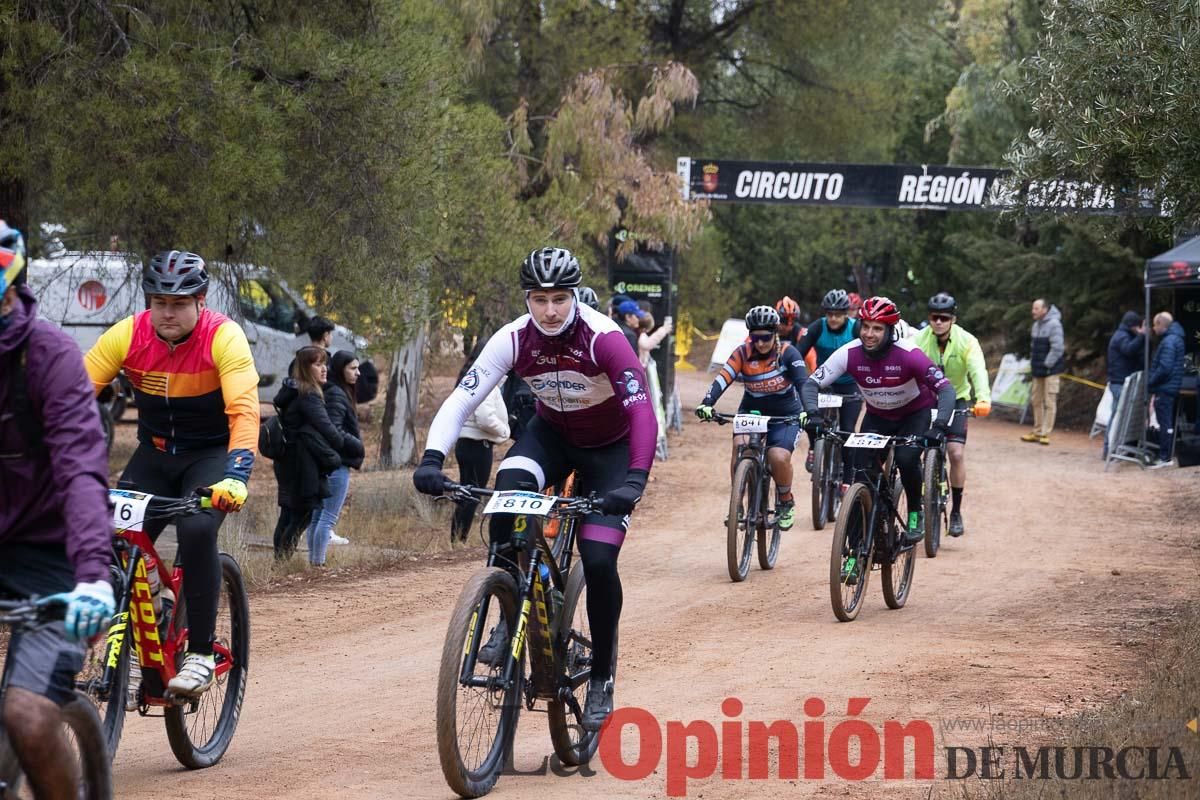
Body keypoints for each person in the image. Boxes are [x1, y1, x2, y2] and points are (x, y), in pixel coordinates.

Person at [412, 247, 657, 732]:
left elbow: (641, 411)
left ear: (574, 297)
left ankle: (603, 674)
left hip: (610, 451)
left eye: (560, 299)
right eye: (539, 298)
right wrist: (433, 459)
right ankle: (507, 608)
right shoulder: (513, 338)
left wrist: (634, 479)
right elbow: (464, 398)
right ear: (527, 297)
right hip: (551, 439)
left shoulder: (605, 338)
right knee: (507, 493)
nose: (549, 310)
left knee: (600, 558)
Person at [85, 249, 258, 697]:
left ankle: (200, 651)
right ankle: (155, 601)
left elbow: (243, 410)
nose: (168, 312)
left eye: (179, 303)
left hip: (211, 456)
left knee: (197, 529)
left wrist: (236, 475)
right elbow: (73, 395)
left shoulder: (225, 337)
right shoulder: (128, 334)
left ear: (201, 300)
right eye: (159, 301)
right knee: (108, 534)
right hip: (155, 455)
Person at [1, 223, 114, 799]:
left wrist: (94, 575)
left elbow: (81, 471)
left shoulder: (49, 358)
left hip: (55, 562)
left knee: (27, 715)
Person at [801, 296, 955, 583]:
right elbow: (811, 383)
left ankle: (915, 511)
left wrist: (941, 426)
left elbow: (946, 390)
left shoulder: (908, 354)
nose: (869, 334)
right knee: (861, 477)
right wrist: (813, 414)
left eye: (878, 329)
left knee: (908, 457)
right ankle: (854, 553)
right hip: (877, 418)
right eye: (866, 327)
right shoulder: (850, 353)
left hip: (914, 415)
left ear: (890, 330)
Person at [695, 305, 809, 531]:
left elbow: (803, 383)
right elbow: (723, 378)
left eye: (765, 337)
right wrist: (707, 402)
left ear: (775, 333)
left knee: (777, 456)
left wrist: (808, 410)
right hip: (752, 410)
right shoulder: (742, 352)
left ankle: (786, 501)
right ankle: (737, 502)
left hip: (785, 414)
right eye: (755, 337)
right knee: (739, 446)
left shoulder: (788, 352)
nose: (760, 343)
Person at [911, 293, 992, 537]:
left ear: (953, 319)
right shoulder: (917, 340)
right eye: (934, 317)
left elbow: (978, 370)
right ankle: (919, 502)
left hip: (956, 398)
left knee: (956, 453)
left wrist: (983, 398)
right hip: (926, 399)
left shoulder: (967, 341)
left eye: (944, 318)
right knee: (915, 450)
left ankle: (956, 511)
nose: (938, 322)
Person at [272, 346, 360, 559]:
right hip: (302, 463)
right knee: (302, 515)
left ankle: (279, 563)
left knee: (288, 515)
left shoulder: (291, 390)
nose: (324, 369)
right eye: (317, 364)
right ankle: (283, 562)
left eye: (324, 364)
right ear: (304, 368)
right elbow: (329, 429)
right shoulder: (308, 395)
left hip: (287, 461)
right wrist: (352, 445)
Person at [795, 289, 863, 479]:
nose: (833, 318)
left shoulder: (856, 328)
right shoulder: (818, 327)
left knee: (847, 431)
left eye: (838, 314)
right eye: (830, 314)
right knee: (811, 418)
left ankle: (848, 477)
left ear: (845, 313)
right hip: (825, 382)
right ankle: (813, 446)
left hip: (850, 384)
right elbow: (799, 352)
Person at [306, 350, 365, 563]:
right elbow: (334, 429)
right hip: (336, 464)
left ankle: (314, 564)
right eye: (352, 368)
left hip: (327, 462)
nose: (357, 373)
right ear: (341, 370)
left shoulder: (332, 391)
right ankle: (318, 564)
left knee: (317, 517)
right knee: (327, 518)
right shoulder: (337, 394)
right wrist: (357, 446)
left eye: (358, 368)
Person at [450, 346, 510, 542]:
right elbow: (484, 417)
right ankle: (459, 539)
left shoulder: (469, 379)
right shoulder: (485, 382)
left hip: (466, 444)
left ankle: (456, 538)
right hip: (478, 445)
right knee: (472, 493)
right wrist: (504, 431)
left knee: (466, 491)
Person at [1021, 298, 1065, 445]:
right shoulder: (1035, 325)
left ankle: (1046, 433)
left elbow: (1057, 348)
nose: (1033, 311)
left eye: (1036, 309)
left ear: (1045, 310)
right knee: (1036, 400)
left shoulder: (1055, 325)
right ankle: (1037, 430)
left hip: (1051, 370)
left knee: (1050, 401)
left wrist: (1047, 364)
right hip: (1037, 370)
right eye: (1033, 308)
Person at [1147, 312, 1186, 468]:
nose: (1153, 328)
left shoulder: (1169, 341)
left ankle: (1164, 457)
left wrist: (1151, 381)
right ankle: (1166, 455)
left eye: (1155, 325)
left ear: (1162, 325)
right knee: (1167, 423)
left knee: (1165, 423)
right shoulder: (1176, 338)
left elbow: (1165, 367)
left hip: (1164, 388)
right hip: (1170, 387)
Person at [1105, 311, 1145, 457]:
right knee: (1117, 416)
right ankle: (1109, 448)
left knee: (1118, 415)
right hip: (1119, 382)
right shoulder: (1122, 336)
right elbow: (1128, 350)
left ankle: (1111, 448)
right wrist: (1141, 336)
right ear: (1133, 325)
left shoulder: (1124, 335)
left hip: (1120, 381)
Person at [774, 296, 817, 373]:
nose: (788, 326)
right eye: (784, 321)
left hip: (793, 371)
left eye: (793, 321)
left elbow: (812, 357)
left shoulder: (801, 332)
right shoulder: (769, 330)